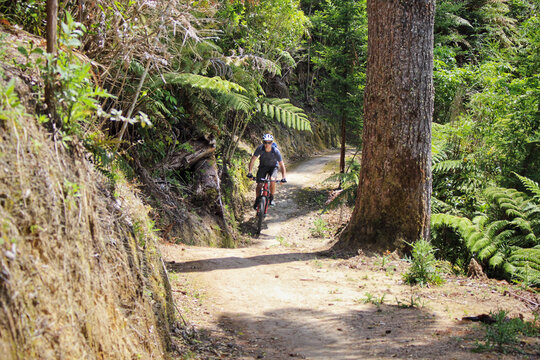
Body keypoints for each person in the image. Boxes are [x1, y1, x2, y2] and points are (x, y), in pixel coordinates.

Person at [247, 134, 287, 208]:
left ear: (272, 143)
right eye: (265, 142)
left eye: (269, 142)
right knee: (259, 185)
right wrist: (250, 172)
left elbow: (282, 165)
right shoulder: (260, 149)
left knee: (272, 180)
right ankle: (257, 200)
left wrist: (283, 177)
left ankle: (271, 198)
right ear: (263, 142)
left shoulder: (275, 151)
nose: (267, 144)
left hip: (273, 167)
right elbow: (253, 159)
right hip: (263, 167)